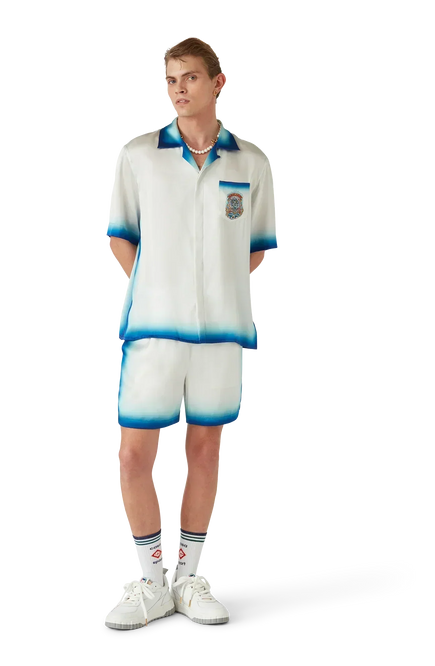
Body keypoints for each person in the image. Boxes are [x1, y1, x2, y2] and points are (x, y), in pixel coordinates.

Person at [103, 35, 279, 630]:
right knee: (134, 453)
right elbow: (120, 236)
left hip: (223, 334)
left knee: (205, 449)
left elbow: (256, 248)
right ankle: (150, 579)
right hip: (152, 332)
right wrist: (161, 290)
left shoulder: (252, 161)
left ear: (219, 82)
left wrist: (213, 294)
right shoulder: (138, 154)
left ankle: (189, 576)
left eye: (190, 78)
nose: (178, 90)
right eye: (170, 80)